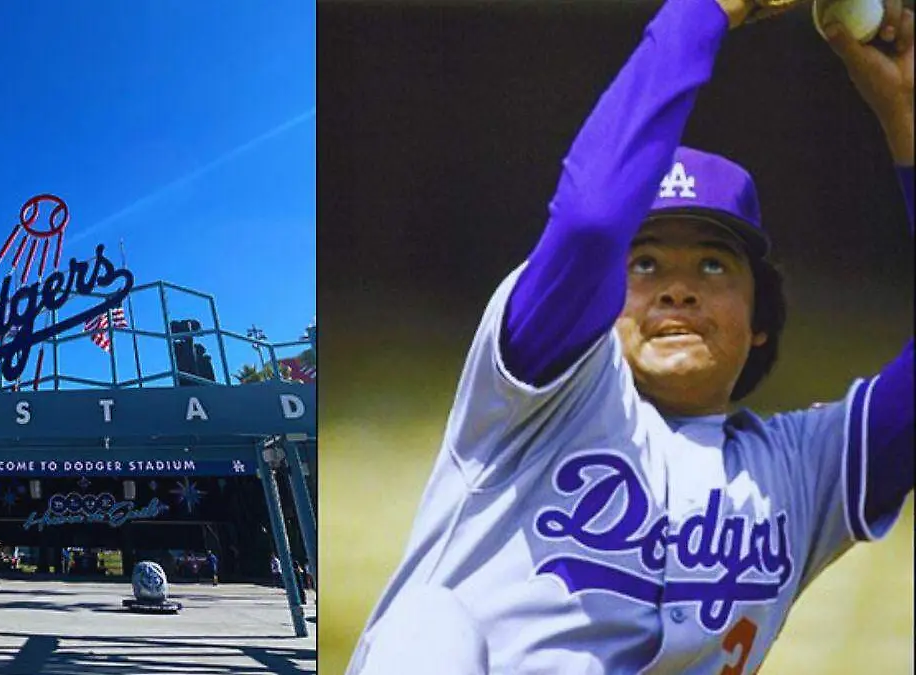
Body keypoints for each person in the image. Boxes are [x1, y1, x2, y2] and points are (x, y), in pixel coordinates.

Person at [348, 0, 914, 673]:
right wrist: (701, 14)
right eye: (644, 263)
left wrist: (906, 120)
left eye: (713, 263)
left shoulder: (799, 474)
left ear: (760, 319)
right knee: (427, 629)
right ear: (601, 296)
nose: (678, 287)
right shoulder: (540, 395)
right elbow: (590, 222)